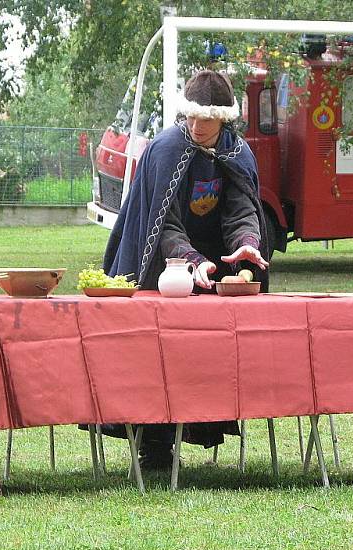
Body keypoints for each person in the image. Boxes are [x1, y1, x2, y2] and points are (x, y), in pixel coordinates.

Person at [99, 69, 271, 469]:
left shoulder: (238, 153)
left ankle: (202, 428)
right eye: (191, 117)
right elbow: (163, 223)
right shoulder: (164, 149)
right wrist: (188, 260)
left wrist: (247, 243)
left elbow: (242, 210)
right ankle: (154, 446)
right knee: (155, 355)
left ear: (224, 119)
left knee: (204, 355)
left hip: (214, 270)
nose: (196, 126)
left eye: (206, 119)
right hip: (160, 265)